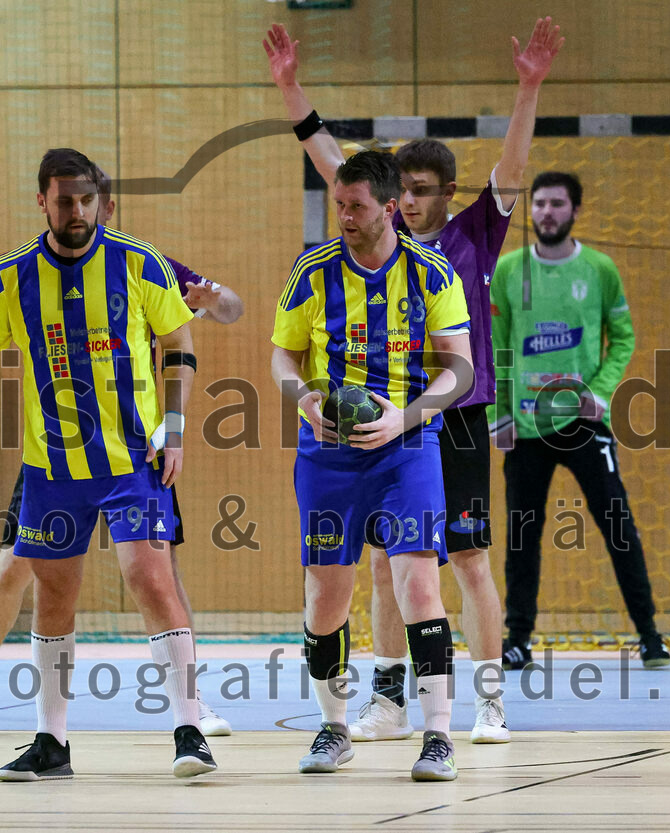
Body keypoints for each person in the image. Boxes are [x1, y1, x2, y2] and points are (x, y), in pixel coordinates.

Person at [265, 17, 563, 742]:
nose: (415, 201)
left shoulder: (472, 235)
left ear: (446, 193)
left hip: (450, 413)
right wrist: (291, 89)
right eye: (408, 190)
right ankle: (390, 702)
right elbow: (334, 161)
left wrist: (528, 87)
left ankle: (489, 701)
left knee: (465, 559)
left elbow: (515, 166)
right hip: (373, 413)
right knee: (382, 568)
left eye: (428, 190)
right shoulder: (358, 238)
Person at [0, 172, 241, 740]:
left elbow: (227, 311)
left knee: (157, 574)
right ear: (45, 204)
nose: (77, 211)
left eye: (88, 201)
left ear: (107, 204)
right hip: (55, 456)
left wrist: (212, 301)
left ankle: (189, 706)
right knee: (17, 569)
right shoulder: (18, 269)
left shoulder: (148, 264)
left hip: (135, 448)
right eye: (66, 201)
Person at [272, 150, 474, 781]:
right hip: (328, 453)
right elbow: (282, 358)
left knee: (417, 583)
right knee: (326, 592)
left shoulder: (430, 271)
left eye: (356, 206)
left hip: (408, 447)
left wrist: (404, 417)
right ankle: (334, 729)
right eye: (340, 205)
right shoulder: (312, 272)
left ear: (389, 207)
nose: (345, 217)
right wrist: (303, 398)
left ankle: (437, 736)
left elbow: (461, 369)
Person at [488, 171, 670, 670]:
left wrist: (602, 391)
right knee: (522, 533)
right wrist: (497, 413)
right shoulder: (507, 271)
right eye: (540, 203)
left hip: (585, 424)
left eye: (557, 204)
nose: (546, 212)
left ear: (575, 210)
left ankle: (650, 634)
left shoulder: (599, 269)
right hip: (524, 427)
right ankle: (518, 639)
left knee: (618, 524)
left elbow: (624, 337)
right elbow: (495, 346)